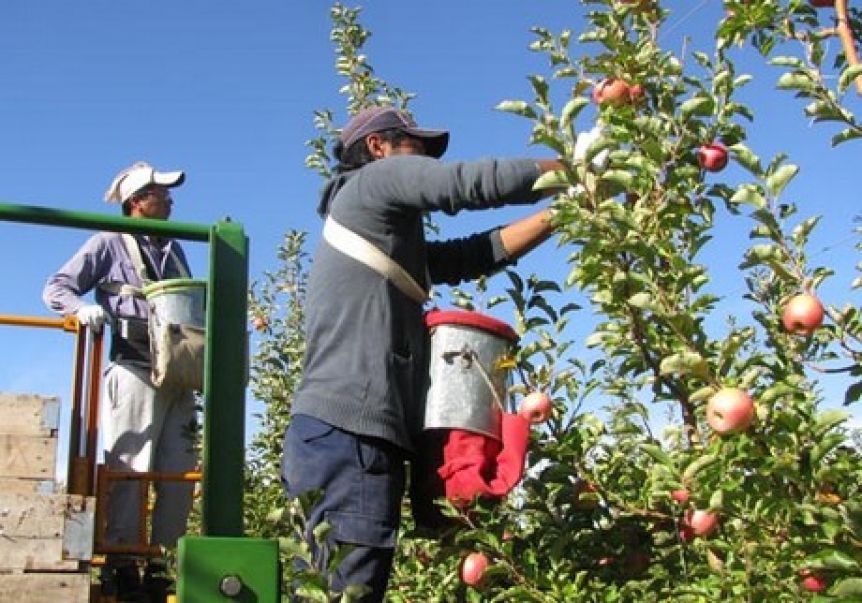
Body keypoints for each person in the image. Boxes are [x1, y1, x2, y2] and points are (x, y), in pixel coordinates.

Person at [280, 106, 567, 602]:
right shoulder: (372, 185)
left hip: (341, 439)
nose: (425, 165)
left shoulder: (383, 238)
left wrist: (563, 212)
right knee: (345, 592)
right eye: (416, 149)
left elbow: (471, 256)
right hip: (349, 437)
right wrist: (578, 167)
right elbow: (468, 183)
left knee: (337, 588)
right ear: (378, 148)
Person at [42, 161, 198, 602]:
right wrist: (78, 308)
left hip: (177, 372)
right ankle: (123, 563)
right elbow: (57, 286)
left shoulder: (175, 249)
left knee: (179, 470)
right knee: (131, 466)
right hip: (132, 367)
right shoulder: (108, 241)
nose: (169, 200)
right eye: (159, 193)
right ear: (136, 202)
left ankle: (164, 563)